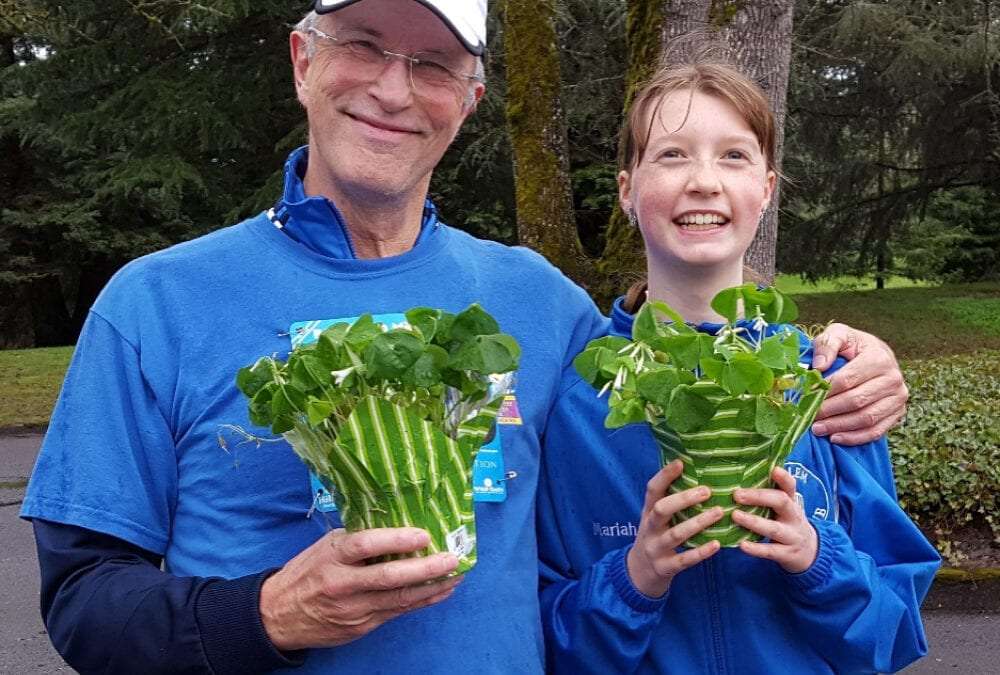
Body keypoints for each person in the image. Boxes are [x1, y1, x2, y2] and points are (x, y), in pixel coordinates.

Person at [21, 2, 908, 673]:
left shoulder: (537, 302)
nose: (394, 89)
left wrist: (856, 362)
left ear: (472, 96)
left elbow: (674, 345)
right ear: (302, 60)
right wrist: (267, 613)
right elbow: (81, 600)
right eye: (363, 44)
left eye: (435, 63)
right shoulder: (154, 304)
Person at [537, 60, 941, 674]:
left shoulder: (826, 388)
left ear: (767, 190)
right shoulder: (577, 400)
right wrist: (633, 577)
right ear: (626, 189)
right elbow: (539, 643)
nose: (704, 181)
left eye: (733, 156)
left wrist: (816, 559)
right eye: (671, 155)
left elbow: (892, 636)